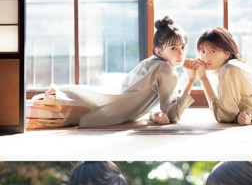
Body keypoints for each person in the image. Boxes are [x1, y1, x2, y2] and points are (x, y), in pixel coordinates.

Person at [27, 16, 197, 129]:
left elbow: (156, 104)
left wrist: (156, 114)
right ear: (159, 51)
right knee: (49, 113)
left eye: (182, 47)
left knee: (37, 110)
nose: (180, 53)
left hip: (107, 100)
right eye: (173, 48)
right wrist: (190, 80)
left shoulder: (152, 63)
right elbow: (173, 114)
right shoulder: (165, 69)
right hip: (106, 107)